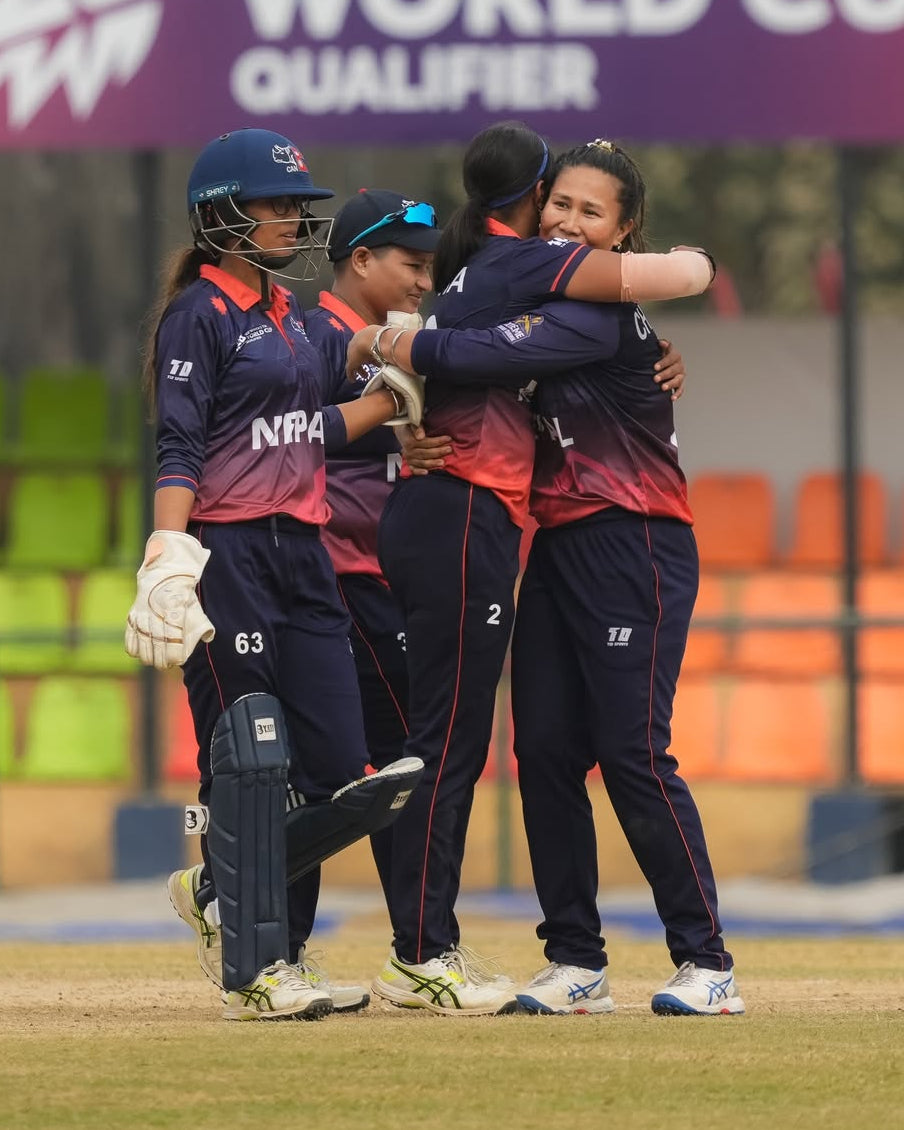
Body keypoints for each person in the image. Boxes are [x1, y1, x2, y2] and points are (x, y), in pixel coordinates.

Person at [357, 139, 743, 1017]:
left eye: (591, 212)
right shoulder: (555, 290)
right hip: (559, 545)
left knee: (634, 752)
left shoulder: (598, 314)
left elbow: (481, 357)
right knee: (543, 758)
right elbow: (481, 375)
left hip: (635, 541)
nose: (568, 221)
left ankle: (707, 962)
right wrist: (409, 427)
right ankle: (576, 960)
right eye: (559, 204)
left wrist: (393, 338)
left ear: (624, 231)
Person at [124, 128, 422, 1021]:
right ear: (222, 216)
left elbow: (310, 430)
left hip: (306, 556)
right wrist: (168, 560)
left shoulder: (292, 318)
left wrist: (398, 386)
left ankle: (217, 889)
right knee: (250, 764)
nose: (292, 216)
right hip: (230, 552)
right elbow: (181, 449)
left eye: (297, 203)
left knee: (343, 778)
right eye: (274, 203)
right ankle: (264, 968)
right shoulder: (199, 316)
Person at [295, 189, 446, 960]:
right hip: (337, 576)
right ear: (360, 260)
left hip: (376, 577)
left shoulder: (402, 341)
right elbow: (280, 438)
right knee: (400, 768)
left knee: (352, 772)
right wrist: (386, 418)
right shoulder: (314, 335)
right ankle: (422, 952)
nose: (425, 281)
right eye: (411, 264)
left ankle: (250, 923)